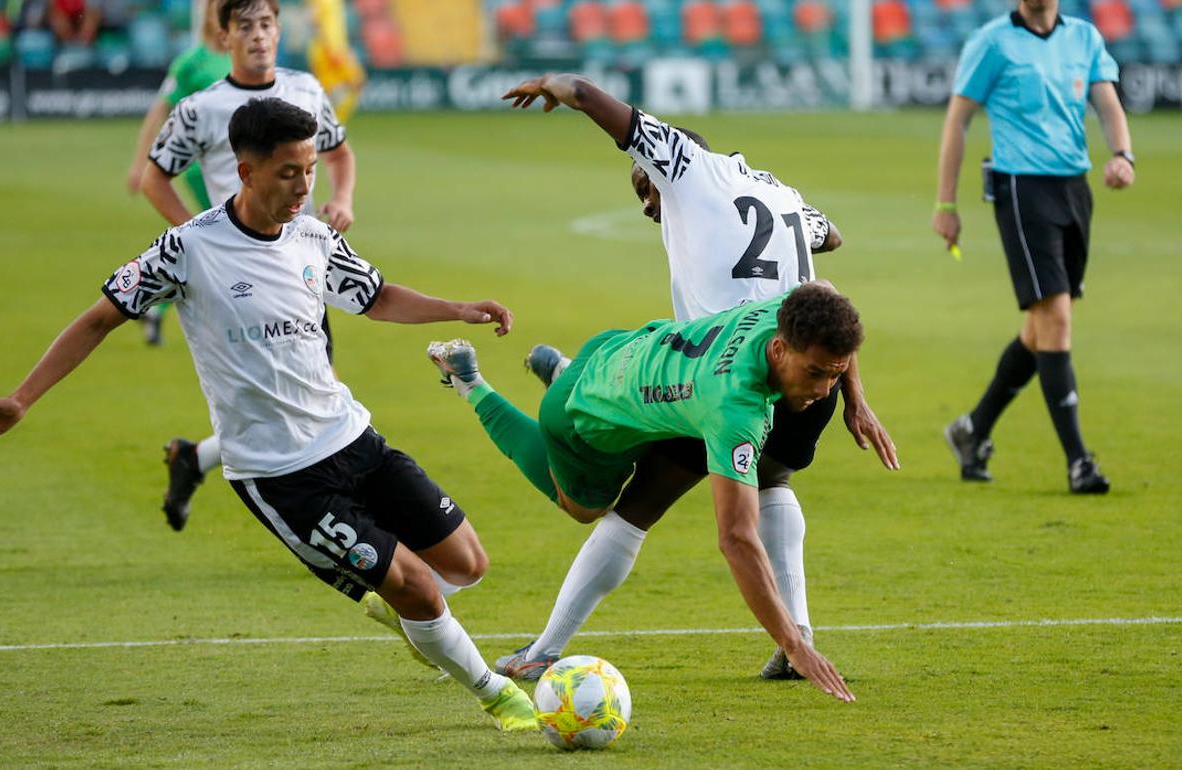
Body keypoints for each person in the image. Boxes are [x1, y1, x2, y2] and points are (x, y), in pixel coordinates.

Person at [0, 97, 535, 732]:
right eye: (288, 171)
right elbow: (99, 318)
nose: (303, 185)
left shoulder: (314, 235)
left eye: (310, 169)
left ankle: (406, 616)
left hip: (351, 437)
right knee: (419, 588)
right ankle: (498, 696)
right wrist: (21, 398)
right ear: (246, 170)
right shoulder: (188, 249)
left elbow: (373, 297)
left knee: (466, 565)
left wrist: (457, 307)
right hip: (283, 474)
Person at [478, 73, 896, 683]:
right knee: (773, 480)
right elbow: (828, 240)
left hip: (718, 379)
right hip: (806, 383)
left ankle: (545, 647)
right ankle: (798, 635)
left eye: (644, 186)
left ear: (661, 161)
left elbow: (596, 101)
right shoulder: (779, 191)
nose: (646, 204)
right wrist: (855, 397)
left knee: (635, 508)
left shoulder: (685, 166)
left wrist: (559, 86)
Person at [428, 283, 862, 703]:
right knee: (583, 506)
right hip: (581, 417)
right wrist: (793, 643)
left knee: (655, 447)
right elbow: (736, 539)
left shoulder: (787, 312)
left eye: (835, 375)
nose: (824, 391)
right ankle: (471, 382)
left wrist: (855, 400)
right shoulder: (734, 409)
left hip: (622, 349)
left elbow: (826, 288)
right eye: (815, 373)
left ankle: (565, 368)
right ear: (781, 350)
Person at [140, 0, 359, 529]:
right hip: (236, 277)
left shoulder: (305, 88)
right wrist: (198, 243)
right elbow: (155, 178)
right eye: (245, 27)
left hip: (300, 268)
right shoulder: (201, 108)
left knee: (306, 397)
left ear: (280, 31)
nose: (258, 36)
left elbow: (339, 152)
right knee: (290, 402)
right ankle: (335, 521)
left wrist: (343, 199)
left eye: (266, 25)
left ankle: (196, 460)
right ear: (223, 36)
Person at [932, 0, 1133, 493]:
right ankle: (1079, 461)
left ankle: (972, 430)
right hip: (1021, 188)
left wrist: (1123, 154)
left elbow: (1106, 102)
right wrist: (946, 202)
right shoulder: (992, 41)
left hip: (1074, 189)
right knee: (1057, 319)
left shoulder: (1083, 38)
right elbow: (957, 119)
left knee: (1039, 328)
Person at [126, 0, 230, 346]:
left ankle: (150, 300)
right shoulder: (191, 63)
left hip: (243, 170)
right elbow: (159, 111)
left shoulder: (246, 59)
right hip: (204, 169)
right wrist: (139, 163)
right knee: (222, 243)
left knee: (211, 245)